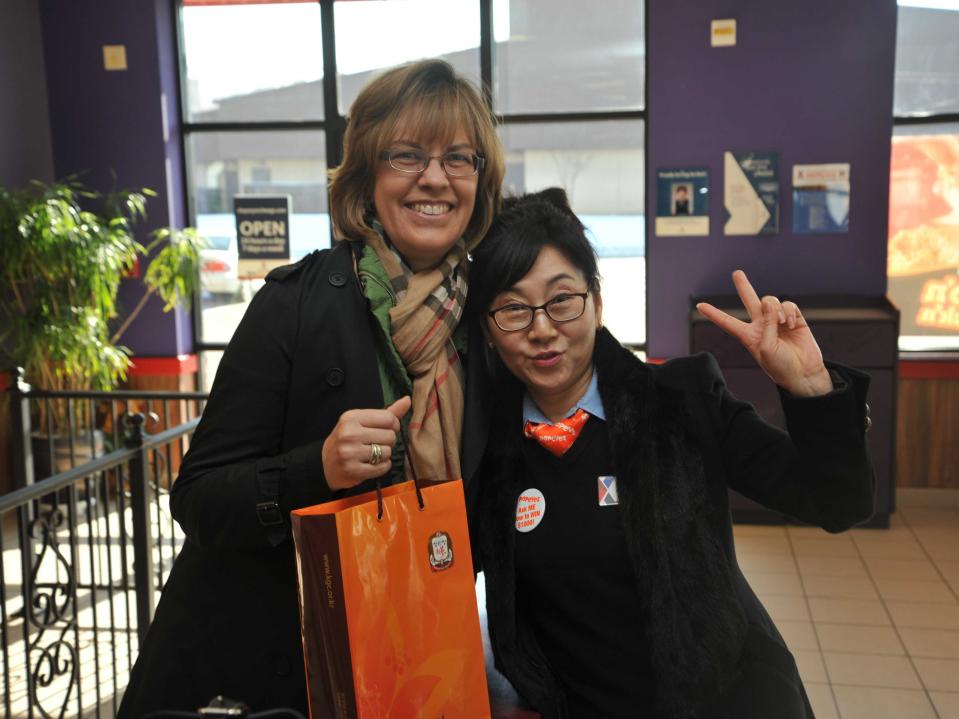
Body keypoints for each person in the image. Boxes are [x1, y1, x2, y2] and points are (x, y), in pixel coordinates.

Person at [118, 59, 504, 717]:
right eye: (406, 155)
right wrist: (315, 467)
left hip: (410, 650)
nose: (434, 178)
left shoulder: (489, 319)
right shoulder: (294, 304)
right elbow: (198, 497)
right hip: (271, 667)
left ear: (479, 180)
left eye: (457, 158)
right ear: (367, 176)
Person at [467, 188, 874, 719]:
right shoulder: (483, 446)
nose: (542, 329)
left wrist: (812, 387)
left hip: (730, 704)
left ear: (596, 300)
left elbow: (838, 502)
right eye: (514, 309)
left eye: (562, 299)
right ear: (489, 328)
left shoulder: (679, 402)